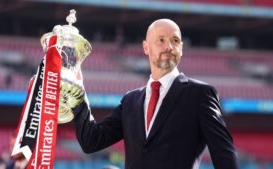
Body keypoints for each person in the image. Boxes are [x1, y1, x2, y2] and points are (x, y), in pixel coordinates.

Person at [71, 19, 239, 169]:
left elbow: (224, 155)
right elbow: (91, 141)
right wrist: (77, 90)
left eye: (175, 40)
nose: (169, 46)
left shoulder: (200, 94)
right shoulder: (130, 101)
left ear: (181, 48)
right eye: (161, 40)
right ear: (146, 47)